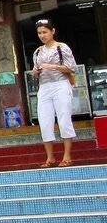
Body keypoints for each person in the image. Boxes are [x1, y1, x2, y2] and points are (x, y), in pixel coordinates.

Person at [32, 17, 77, 167]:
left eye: (45, 32)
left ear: (53, 31)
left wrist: (53, 66)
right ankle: (50, 157)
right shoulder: (37, 52)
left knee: (64, 118)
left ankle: (67, 156)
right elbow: (37, 69)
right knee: (45, 121)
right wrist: (35, 71)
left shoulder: (61, 47)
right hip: (45, 87)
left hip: (60, 84)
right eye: (39, 33)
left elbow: (72, 68)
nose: (42, 35)